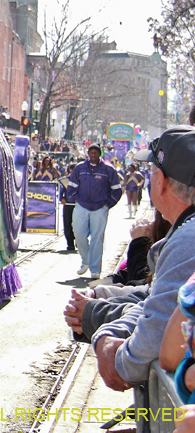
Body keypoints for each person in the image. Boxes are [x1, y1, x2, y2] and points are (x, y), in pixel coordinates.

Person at [91, 126, 195, 392]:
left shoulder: (188, 239)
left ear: (161, 182)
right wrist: (109, 333)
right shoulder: (184, 231)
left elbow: (157, 334)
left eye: (152, 173)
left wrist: (121, 360)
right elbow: (156, 299)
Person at [66, 144, 122, 278]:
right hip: (82, 205)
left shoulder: (108, 169)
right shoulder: (80, 168)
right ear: (88, 154)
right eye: (91, 152)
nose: (93, 155)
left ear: (100, 154)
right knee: (78, 233)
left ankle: (95, 269)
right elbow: (71, 186)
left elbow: (117, 190)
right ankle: (86, 260)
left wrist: (108, 204)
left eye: (95, 153)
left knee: (97, 238)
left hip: (100, 207)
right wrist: (74, 199)